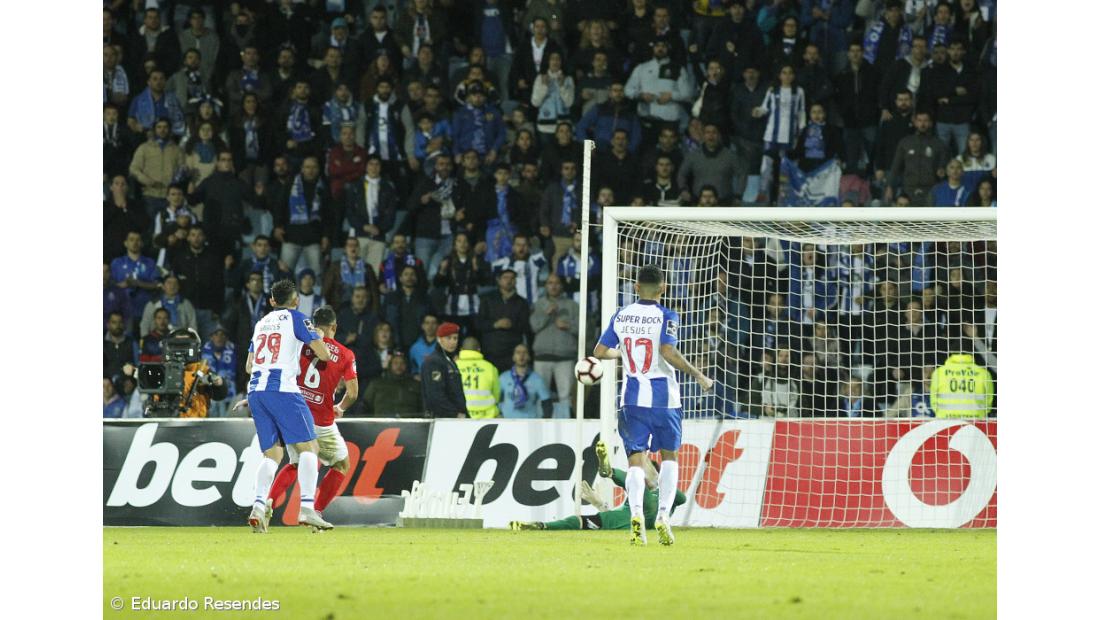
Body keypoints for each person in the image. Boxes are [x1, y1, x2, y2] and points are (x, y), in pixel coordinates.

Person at [592, 264, 714, 546]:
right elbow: (667, 351)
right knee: (669, 458)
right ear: (664, 288)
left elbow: (599, 351)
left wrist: (623, 353)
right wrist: (698, 375)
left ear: (636, 287)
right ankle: (662, 516)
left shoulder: (621, 315)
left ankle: (636, 514)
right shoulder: (667, 315)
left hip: (631, 400)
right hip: (664, 400)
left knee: (636, 461)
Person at [243, 279, 333, 533]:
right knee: (309, 448)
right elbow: (324, 355)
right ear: (296, 301)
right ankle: (306, 508)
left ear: (272, 301)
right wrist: (317, 337)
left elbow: (249, 366)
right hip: (282, 389)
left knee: (273, 454)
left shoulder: (260, 324)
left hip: (256, 391)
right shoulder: (297, 318)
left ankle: (258, 507)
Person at [260, 306, 358, 528]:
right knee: (341, 464)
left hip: (293, 413)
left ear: (313, 325)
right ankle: (317, 512)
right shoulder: (345, 354)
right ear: (334, 326)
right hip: (322, 420)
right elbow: (353, 393)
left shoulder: (300, 344)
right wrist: (340, 407)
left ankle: (268, 502)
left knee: (296, 462)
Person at [511, 442, 684, 531]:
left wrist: (657, 480)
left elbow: (682, 498)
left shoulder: (667, 494)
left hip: (645, 519)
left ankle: (608, 471)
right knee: (578, 521)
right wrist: (599, 504)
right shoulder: (638, 488)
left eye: (647, 470)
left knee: (644, 495)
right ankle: (542, 526)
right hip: (620, 519)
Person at [754, 64, 806, 204]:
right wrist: (758, 111)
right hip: (771, 136)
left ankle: (785, 198)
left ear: (793, 76)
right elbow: (765, 108)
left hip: (790, 138)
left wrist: (801, 131)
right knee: (766, 167)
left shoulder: (799, 91)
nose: (787, 76)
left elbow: (801, 112)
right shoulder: (772, 90)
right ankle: (763, 193)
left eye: (790, 73)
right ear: (779, 75)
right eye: (784, 73)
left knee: (786, 169)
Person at [530, 275, 578, 418]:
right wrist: (546, 315)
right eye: (550, 283)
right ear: (545, 286)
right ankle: (539, 427)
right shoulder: (538, 305)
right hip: (542, 357)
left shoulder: (573, 305)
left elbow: (584, 328)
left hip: (565, 357)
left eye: (557, 282)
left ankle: (567, 427)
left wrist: (568, 326)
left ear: (562, 286)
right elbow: (533, 326)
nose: (553, 286)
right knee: (541, 395)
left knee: (565, 396)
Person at [886, 111, 949, 206]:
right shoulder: (905, 142)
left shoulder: (939, 144)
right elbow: (895, 167)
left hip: (931, 189)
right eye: (919, 120)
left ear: (931, 123)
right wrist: (889, 186)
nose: (922, 124)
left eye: (925, 121)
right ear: (915, 122)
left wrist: (941, 170)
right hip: (908, 190)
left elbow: (944, 166)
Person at [478, 269, 533, 372]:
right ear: (499, 280)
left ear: (516, 281)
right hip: (490, 352)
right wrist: (495, 324)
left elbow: (526, 326)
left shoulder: (522, 302)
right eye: (505, 278)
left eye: (512, 278)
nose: (509, 280)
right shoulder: (487, 300)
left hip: (511, 354)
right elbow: (479, 324)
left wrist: (511, 325)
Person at [677, 123, 738, 204]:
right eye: (707, 132)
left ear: (719, 135)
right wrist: (683, 190)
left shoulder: (730, 156)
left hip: (723, 202)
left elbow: (741, 174)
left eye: (714, 132)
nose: (711, 135)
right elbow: (681, 174)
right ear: (703, 135)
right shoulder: (693, 156)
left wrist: (738, 195)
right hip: (698, 202)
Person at [419, 321, 468, 418]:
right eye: (448, 338)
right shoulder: (433, 362)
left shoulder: (449, 361)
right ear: (439, 339)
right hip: (442, 419)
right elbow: (435, 396)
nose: (453, 341)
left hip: (453, 418)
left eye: (455, 338)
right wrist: (455, 414)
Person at [930, 353, 994, 418]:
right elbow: (989, 399)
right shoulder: (983, 373)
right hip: (976, 421)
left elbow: (933, 400)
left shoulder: (939, 372)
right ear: (971, 354)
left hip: (945, 421)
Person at [498, 343, 552, 419]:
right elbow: (496, 399)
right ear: (513, 357)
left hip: (529, 422)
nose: (521, 355)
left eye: (524, 352)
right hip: (507, 422)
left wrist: (545, 422)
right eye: (518, 352)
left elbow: (547, 403)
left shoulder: (536, 379)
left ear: (529, 357)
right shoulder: (503, 377)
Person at [359, 352, 423, 416]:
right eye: (395, 363)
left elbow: (422, 407)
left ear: (407, 365)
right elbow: (365, 406)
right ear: (390, 365)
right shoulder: (376, 384)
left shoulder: (415, 385)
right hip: (381, 424)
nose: (399, 366)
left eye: (402, 363)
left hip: (410, 423)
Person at [455, 337, 502, 418]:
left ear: (461, 349)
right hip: (488, 416)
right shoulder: (490, 367)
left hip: (462, 416)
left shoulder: (454, 366)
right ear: (479, 350)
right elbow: (497, 395)